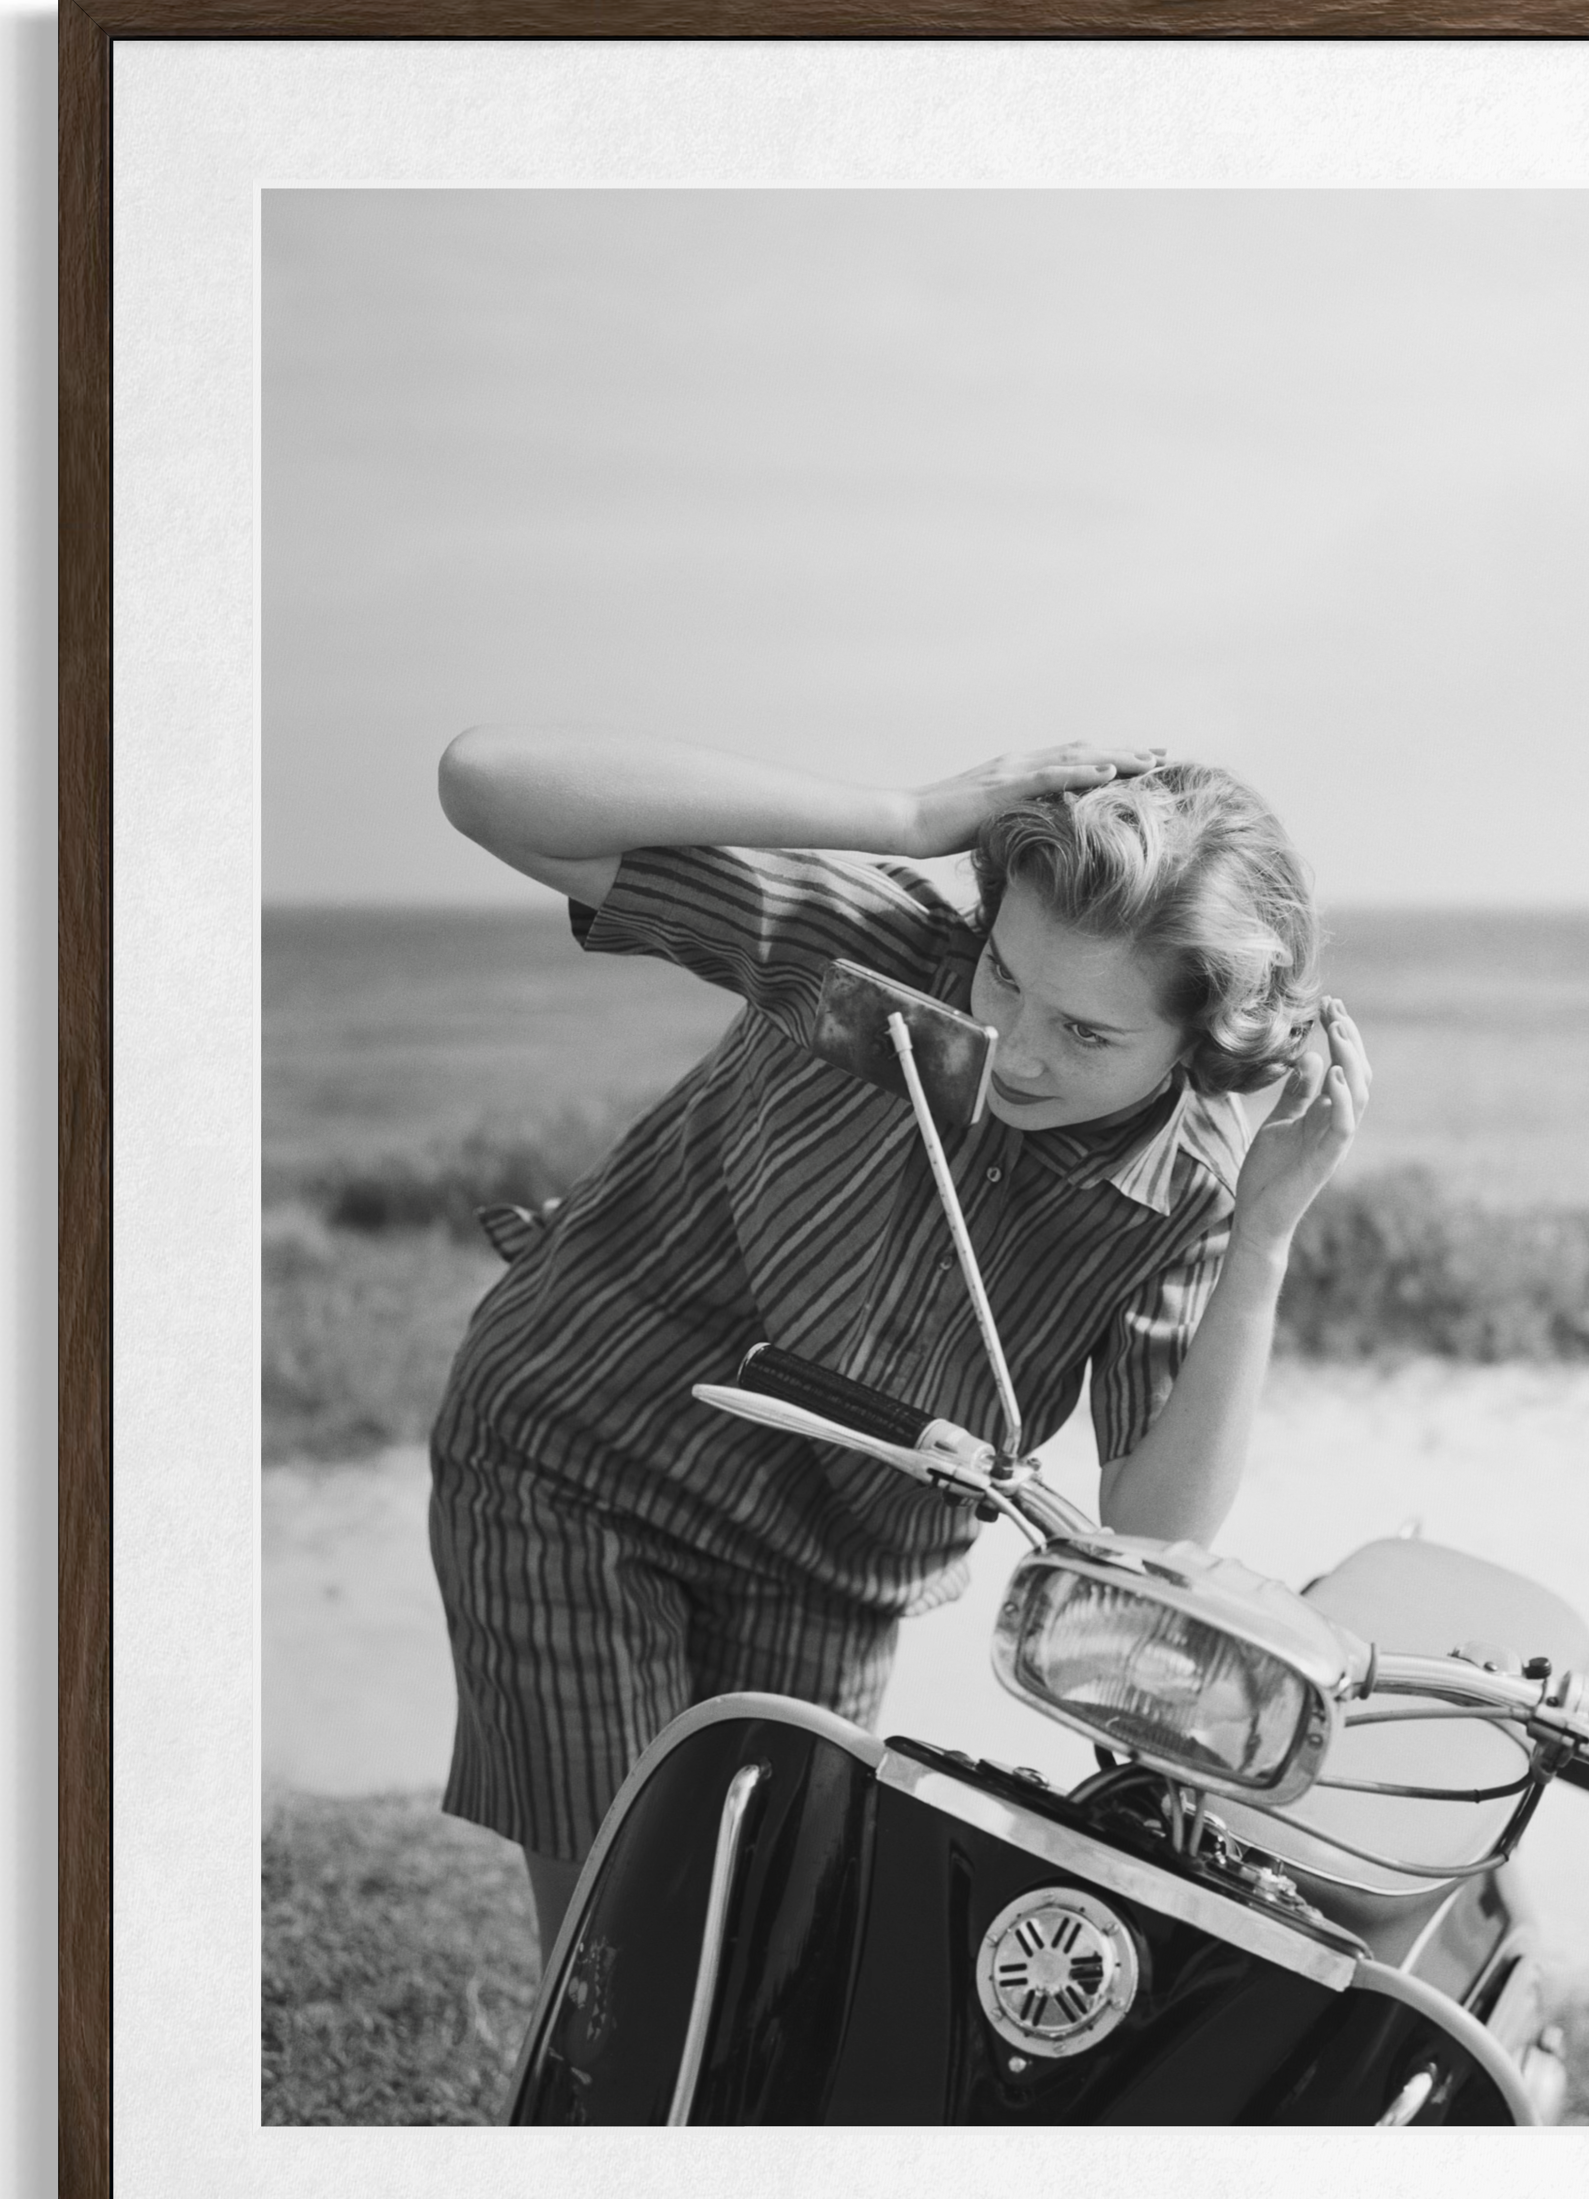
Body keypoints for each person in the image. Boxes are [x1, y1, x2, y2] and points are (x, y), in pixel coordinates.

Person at [424, 725, 1374, 1947]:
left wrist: (1266, 1238)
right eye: (1007, 979)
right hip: (575, 1465)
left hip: (832, 1574)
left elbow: (1152, 1533)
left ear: (1205, 1043)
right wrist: (906, 814)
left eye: (1089, 1033)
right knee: (633, 1943)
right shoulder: (868, 967)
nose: (1019, 1051)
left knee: (765, 1957)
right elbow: (491, 785)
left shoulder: (1187, 1193)